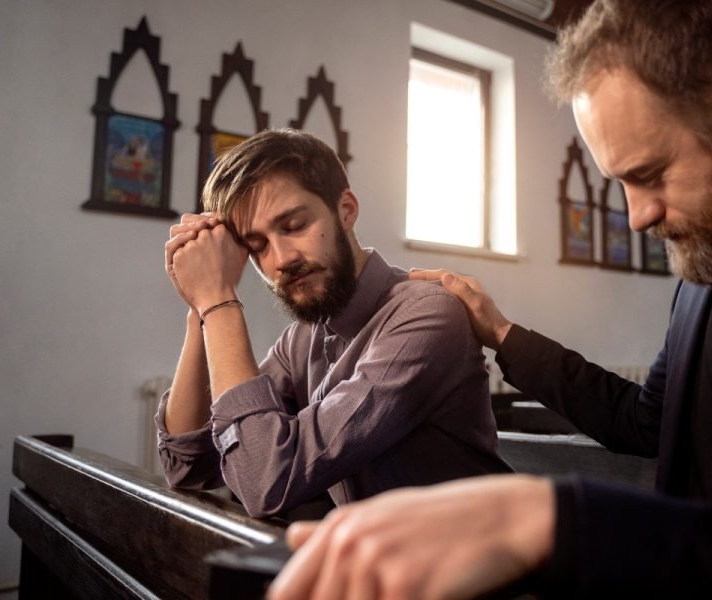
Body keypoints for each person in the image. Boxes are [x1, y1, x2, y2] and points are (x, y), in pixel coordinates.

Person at [267, 0, 712, 598]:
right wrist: (505, 334)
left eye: (648, 175)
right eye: (618, 182)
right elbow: (646, 422)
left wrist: (551, 520)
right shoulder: (710, 267)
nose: (638, 215)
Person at [156, 128, 511, 518]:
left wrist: (218, 300)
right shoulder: (302, 339)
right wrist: (201, 308)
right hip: (384, 569)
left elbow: (265, 481)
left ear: (345, 210)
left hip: (475, 573)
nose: (281, 260)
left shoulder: (426, 314)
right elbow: (188, 466)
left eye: (293, 226)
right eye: (257, 246)